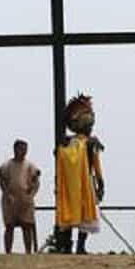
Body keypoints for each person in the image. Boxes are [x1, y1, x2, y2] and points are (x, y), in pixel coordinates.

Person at [55, 94, 103, 254]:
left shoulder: (66, 142)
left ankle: (67, 245)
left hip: (69, 185)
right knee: (86, 214)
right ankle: (80, 246)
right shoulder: (90, 143)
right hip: (86, 182)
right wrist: (101, 183)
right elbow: (96, 165)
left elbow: (58, 157)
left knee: (70, 211)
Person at [0, 140, 41, 254]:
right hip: (10, 200)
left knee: (27, 226)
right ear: (15, 149)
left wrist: (30, 195)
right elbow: (2, 180)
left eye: (25, 149)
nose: (24, 152)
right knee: (9, 226)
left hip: (25, 200)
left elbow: (35, 180)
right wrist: (7, 195)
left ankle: (28, 251)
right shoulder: (7, 165)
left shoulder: (30, 166)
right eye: (21, 149)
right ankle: (8, 251)